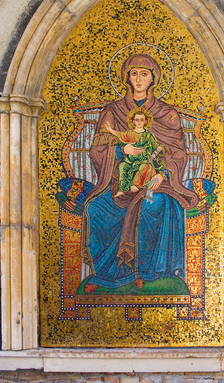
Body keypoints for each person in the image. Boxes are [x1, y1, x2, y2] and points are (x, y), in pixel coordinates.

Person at [81, 54, 199, 293]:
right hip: (119, 184)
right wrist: (120, 149)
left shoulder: (167, 114)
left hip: (156, 181)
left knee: (153, 205)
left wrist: (162, 174)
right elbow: (97, 149)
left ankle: (146, 272)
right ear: (126, 77)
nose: (138, 79)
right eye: (134, 73)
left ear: (153, 78)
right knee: (95, 208)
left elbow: (177, 153)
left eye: (144, 74)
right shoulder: (112, 111)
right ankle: (106, 274)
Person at [103, 109, 165, 197]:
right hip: (131, 158)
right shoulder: (130, 133)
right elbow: (121, 136)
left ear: (146, 122)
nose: (139, 122)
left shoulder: (148, 135)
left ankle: (137, 185)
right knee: (122, 166)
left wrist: (159, 148)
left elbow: (155, 145)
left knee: (144, 167)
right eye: (137, 120)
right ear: (133, 121)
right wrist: (110, 130)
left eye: (142, 120)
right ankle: (122, 189)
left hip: (144, 158)